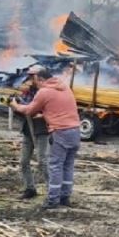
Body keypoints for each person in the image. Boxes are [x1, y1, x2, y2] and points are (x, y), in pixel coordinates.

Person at [11, 68, 80, 209]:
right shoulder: (64, 87)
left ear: (40, 79)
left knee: (55, 166)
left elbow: (29, 110)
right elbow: (58, 107)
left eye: (34, 79)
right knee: (67, 166)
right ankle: (65, 197)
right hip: (75, 130)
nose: (33, 82)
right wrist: (45, 114)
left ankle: (53, 200)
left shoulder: (44, 92)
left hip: (59, 131)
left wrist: (15, 106)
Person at [16, 65, 50, 200]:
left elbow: (42, 109)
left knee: (43, 161)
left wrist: (24, 107)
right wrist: (16, 106)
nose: (31, 79)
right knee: (24, 161)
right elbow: (23, 111)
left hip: (41, 130)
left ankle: (52, 191)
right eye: (30, 76)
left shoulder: (47, 92)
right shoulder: (27, 92)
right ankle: (29, 188)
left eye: (33, 76)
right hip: (27, 130)